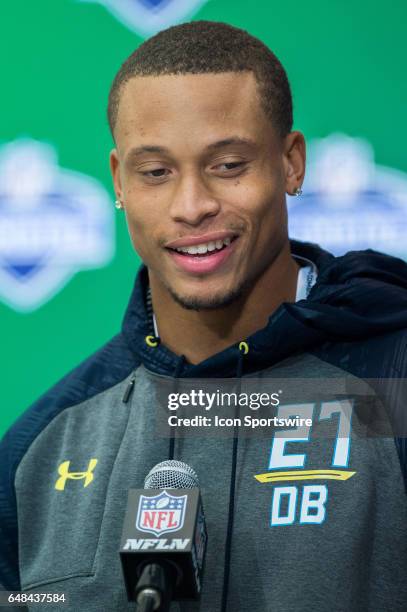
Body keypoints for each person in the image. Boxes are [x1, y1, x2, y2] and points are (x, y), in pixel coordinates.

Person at [1, 20, 407, 612]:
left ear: (291, 164)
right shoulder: (38, 448)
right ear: (119, 180)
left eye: (227, 165)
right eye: (156, 172)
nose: (191, 207)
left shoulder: (395, 389)